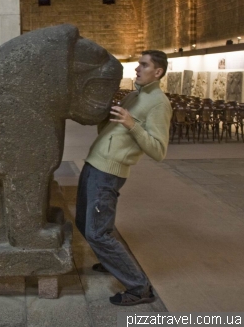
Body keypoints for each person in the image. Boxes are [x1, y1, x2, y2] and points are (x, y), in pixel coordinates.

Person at [75, 50, 172, 306]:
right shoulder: (133, 96)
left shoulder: (159, 104)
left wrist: (132, 124)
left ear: (158, 72)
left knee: (97, 233)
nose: (137, 69)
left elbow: (158, 151)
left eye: (143, 65)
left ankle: (139, 288)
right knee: (84, 223)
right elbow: (112, 132)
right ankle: (112, 261)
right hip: (94, 164)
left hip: (108, 172)